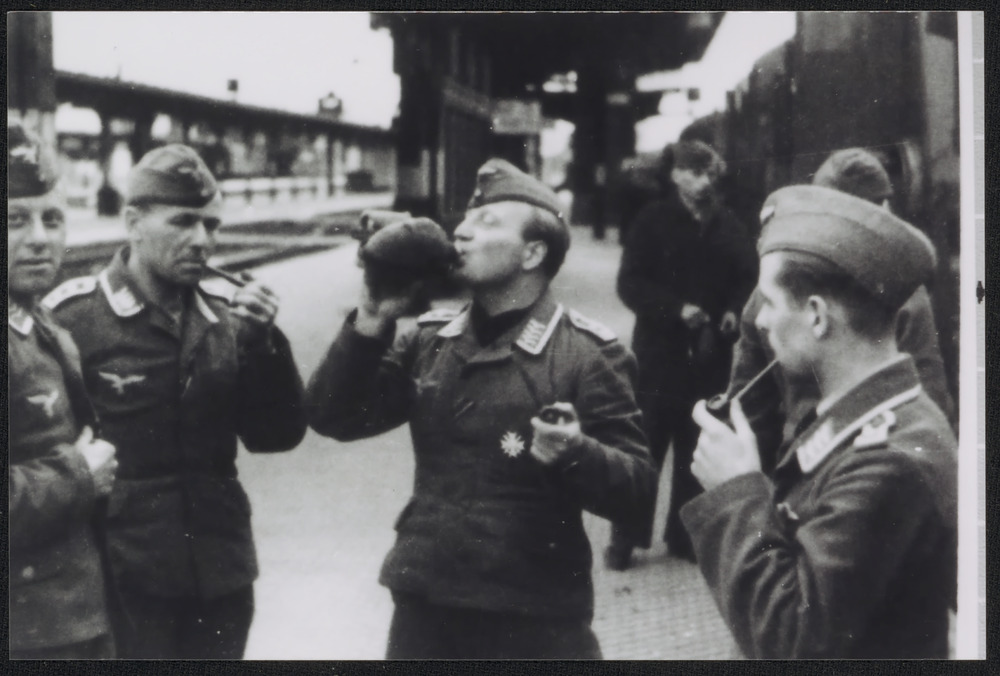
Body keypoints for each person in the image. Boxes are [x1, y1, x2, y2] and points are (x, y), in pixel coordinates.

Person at [306, 158, 656, 659]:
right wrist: (372, 317)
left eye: (487, 223)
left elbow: (639, 493)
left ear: (533, 252)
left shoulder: (588, 354)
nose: (463, 233)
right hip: (425, 608)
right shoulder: (429, 340)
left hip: (533, 618)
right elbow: (333, 416)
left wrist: (576, 453)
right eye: (465, 221)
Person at [45, 144, 307, 659]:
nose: (202, 241)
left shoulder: (226, 320)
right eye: (183, 222)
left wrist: (264, 347)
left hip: (220, 574)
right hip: (121, 580)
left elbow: (276, 436)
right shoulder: (73, 319)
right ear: (133, 223)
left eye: (212, 225)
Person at [682, 185, 957, 658]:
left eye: (769, 302)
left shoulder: (888, 460)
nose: (760, 321)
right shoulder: (866, 419)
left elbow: (792, 639)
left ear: (816, 316)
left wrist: (736, 491)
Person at [728, 148, 956, 473]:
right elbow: (930, 396)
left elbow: (748, 412)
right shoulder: (902, 295)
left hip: (817, 464)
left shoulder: (771, 295)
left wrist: (754, 483)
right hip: (867, 461)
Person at [608, 140, 757, 568]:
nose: (704, 182)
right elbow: (629, 283)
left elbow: (748, 276)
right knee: (645, 444)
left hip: (709, 356)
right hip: (658, 354)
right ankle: (624, 540)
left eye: (710, 174)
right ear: (675, 175)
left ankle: (685, 536)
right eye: (695, 172)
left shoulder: (729, 225)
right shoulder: (651, 221)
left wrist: (733, 311)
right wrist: (674, 309)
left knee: (696, 444)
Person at [9, 122, 119, 659]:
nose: (40, 238)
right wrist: (79, 475)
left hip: (71, 617)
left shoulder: (39, 323)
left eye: (52, 219)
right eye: (15, 220)